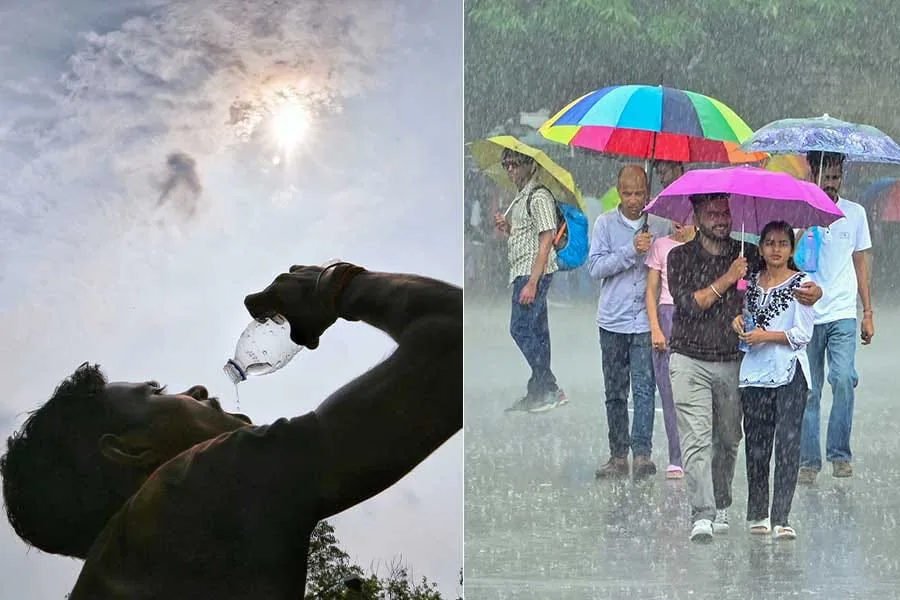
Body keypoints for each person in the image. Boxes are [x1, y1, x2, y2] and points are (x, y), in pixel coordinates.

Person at [0, 261, 461, 599]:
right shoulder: (193, 485)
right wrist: (334, 287)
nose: (197, 388)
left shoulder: (123, 571)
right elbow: (456, 341)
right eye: (156, 391)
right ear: (129, 450)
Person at [667, 194, 822, 542]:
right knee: (695, 439)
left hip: (733, 362)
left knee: (728, 439)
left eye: (725, 213)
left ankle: (723, 503)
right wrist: (728, 278)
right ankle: (703, 513)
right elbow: (691, 305)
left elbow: (785, 275)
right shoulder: (679, 257)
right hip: (688, 357)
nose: (721, 219)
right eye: (713, 214)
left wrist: (817, 292)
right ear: (696, 216)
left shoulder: (749, 253)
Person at [732, 221, 814, 541]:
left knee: (787, 444)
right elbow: (742, 318)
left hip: (790, 371)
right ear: (761, 247)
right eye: (770, 243)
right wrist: (738, 323)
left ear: (791, 249)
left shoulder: (803, 284)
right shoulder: (749, 282)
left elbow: (802, 334)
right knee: (756, 446)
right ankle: (758, 512)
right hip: (754, 373)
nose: (776, 249)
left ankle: (781, 516)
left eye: (782, 243)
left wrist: (767, 336)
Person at [591, 165, 671, 480]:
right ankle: (617, 455)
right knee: (615, 391)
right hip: (612, 321)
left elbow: (667, 265)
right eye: (627, 193)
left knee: (643, 389)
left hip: (644, 322)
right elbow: (596, 267)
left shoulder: (660, 225)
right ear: (618, 191)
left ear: (648, 192)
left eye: (639, 193)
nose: (634, 200)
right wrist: (630, 250)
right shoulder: (605, 224)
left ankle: (642, 454)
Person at [798, 151, 874, 484]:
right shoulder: (799, 208)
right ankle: (808, 461)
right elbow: (787, 256)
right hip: (807, 314)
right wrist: (808, 221)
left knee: (843, 379)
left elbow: (860, 263)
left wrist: (867, 311)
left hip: (843, 312)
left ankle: (839, 454)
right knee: (808, 391)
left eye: (835, 178)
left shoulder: (854, 213)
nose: (830, 184)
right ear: (811, 173)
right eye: (824, 177)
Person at [495, 147, 567, 413]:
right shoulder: (522, 197)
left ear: (529, 166)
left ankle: (549, 386)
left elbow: (546, 238)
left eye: (515, 164)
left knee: (520, 328)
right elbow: (529, 236)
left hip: (531, 272)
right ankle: (537, 391)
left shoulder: (538, 197)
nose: (510, 169)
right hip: (525, 270)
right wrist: (509, 228)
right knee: (537, 332)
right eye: (506, 165)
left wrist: (533, 283)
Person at [645, 218, 696, 479]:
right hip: (666, 316)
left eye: (687, 218)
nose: (680, 223)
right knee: (668, 392)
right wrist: (655, 326)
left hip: (695, 318)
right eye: (676, 219)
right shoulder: (660, 246)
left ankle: (696, 454)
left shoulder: (703, 247)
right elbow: (651, 291)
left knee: (695, 392)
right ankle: (676, 456)